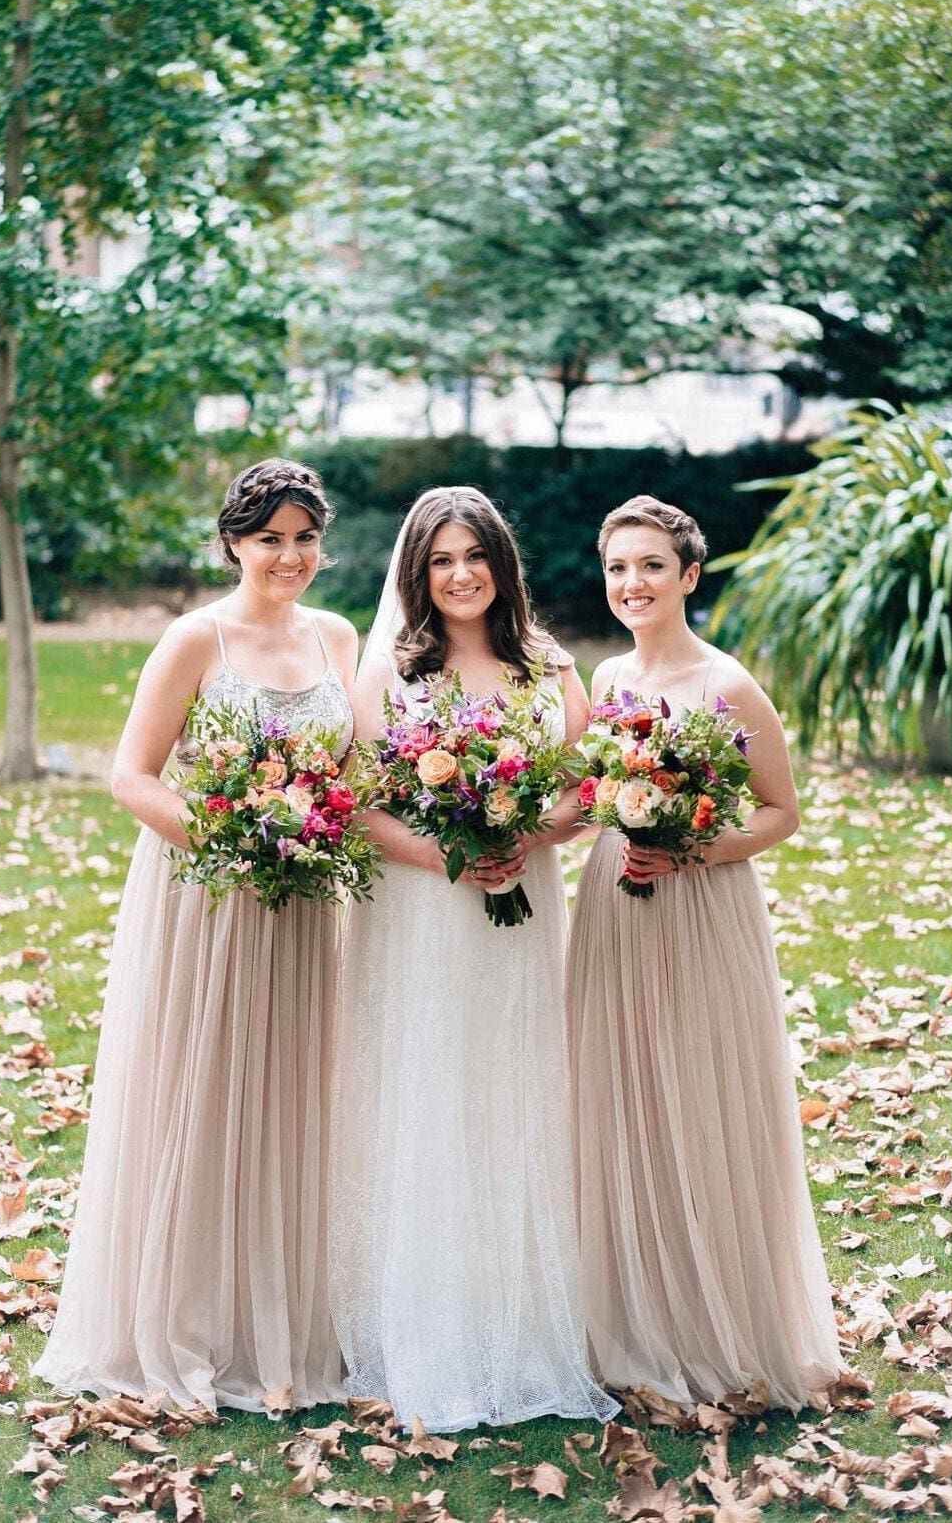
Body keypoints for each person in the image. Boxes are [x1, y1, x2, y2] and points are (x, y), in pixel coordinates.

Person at [34, 458, 356, 1413]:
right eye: (269, 539)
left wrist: (312, 832)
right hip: (204, 893)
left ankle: (275, 1322)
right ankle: (174, 1319)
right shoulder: (194, 637)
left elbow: (359, 773)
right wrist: (233, 836)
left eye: (303, 538)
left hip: (301, 901)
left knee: (290, 1092)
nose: (288, 556)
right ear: (233, 543)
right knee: (197, 1086)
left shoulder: (339, 638)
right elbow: (132, 775)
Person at [329, 487, 617, 1433]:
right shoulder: (390, 678)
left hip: (523, 908)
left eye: (475, 555)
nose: (461, 574)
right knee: (433, 1093)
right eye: (442, 559)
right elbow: (359, 804)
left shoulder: (547, 667)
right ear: (418, 571)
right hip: (423, 917)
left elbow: (586, 787)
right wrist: (445, 855)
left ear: (502, 562)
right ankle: (429, 1327)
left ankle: (522, 1320)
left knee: (515, 1090)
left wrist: (526, 834)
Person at [566, 494, 841, 1410]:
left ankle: (721, 1323)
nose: (632, 583)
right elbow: (590, 797)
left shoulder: (727, 684)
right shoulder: (606, 681)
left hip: (701, 903)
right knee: (624, 1092)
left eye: (650, 566)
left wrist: (693, 848)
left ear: (689, 575)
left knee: (700, 1093)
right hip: (615, 897)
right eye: (617, 567)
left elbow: (780, 811)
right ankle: (638, 1317)